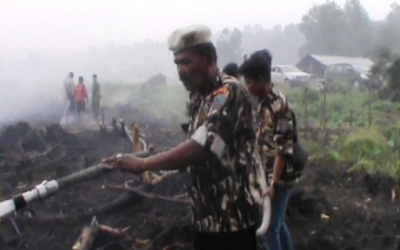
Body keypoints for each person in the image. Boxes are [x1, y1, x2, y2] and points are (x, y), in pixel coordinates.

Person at [102, 24, 266, 250]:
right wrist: (162, 158)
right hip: (206, 217)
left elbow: (201, 148)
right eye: (177, 63)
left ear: (209, 58)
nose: (180, 70)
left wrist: (144, 163)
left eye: (187, 62)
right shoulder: (199, 96)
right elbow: (197, 147)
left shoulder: (229, 92)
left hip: (232, 219)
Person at [239, 50, 295, 250]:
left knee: (270, 230)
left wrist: (273, 184)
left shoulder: (279, 107)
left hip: (280, 178)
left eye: (250, 82)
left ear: (261, 80)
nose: (248, 87)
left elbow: (283, 150)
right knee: (278, 225)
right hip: (266, 175)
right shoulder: (262, 104)